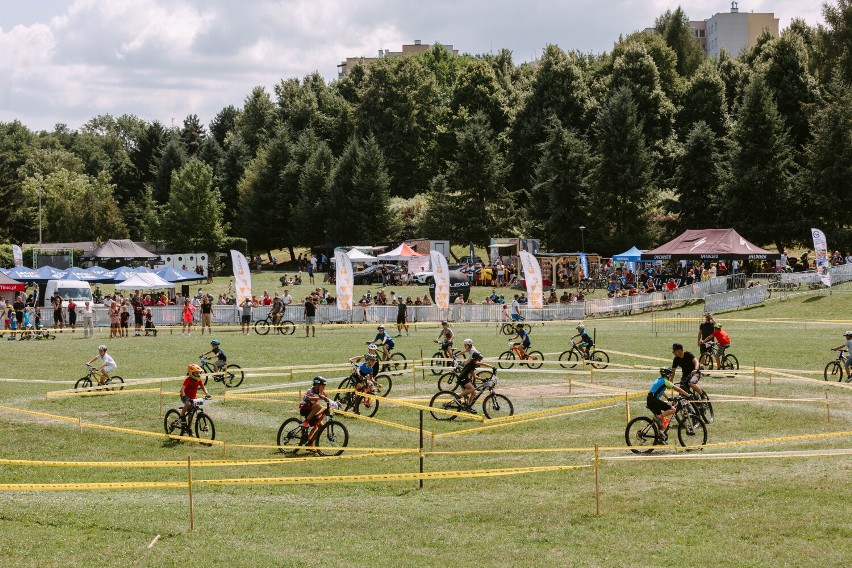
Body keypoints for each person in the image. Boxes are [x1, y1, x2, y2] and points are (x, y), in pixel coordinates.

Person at [647, 367, 691, 440]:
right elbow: (677, 389)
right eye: (670, 375)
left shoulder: (658, 379)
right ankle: (657, 418)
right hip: (654, 400)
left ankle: (660, 437)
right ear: (667, 375)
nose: (670, 376)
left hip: (650, 400)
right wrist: (687, 394)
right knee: (673, 409)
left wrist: (667, 398)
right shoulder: (665, 381)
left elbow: (661, 391)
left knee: (661, 420)